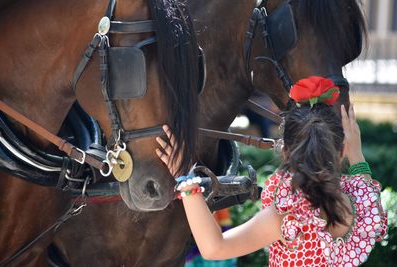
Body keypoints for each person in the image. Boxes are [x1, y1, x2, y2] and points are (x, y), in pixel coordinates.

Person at [155, 76, 388, 266]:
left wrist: (186, 178)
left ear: (285, 152)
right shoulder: (361, 204)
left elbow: (215, 248)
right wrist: (356, 153)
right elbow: (364, 183)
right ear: (341, 151)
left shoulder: (290, 217)